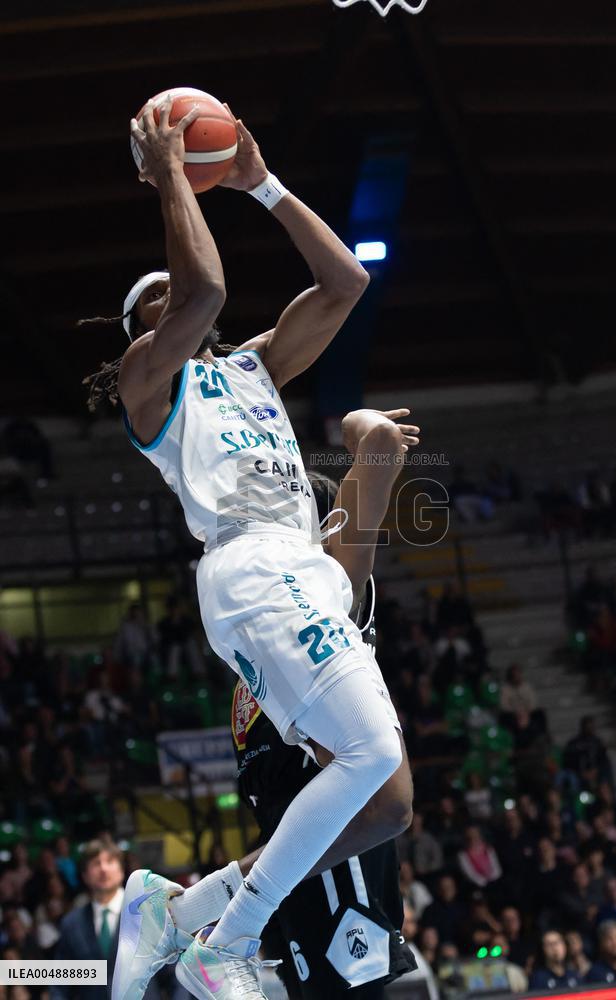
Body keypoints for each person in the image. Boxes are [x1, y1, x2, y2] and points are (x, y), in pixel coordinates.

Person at [99, 98, 416, 1000]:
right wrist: (170, 175)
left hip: (301, 567)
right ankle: (225, 944)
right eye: (157, 306)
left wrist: (259, 183)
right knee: (366, 766)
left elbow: (346, 284)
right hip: (249, 567)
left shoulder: (252, 370)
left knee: (386, 802)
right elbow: (202, 292)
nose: (179, 306)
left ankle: (178, 912)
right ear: (144, 336)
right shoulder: (149, 388)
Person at [226, 415, 418, 998]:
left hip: (343, 892)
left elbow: (379, 443)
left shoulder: (331, 595)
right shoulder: (257, 633)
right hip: (295, 896)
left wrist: (355, 424)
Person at [52, 838, 168, 1000]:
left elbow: (174, 974)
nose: (103, 869)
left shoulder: (150, 915)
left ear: (121, 870)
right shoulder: (72, 923)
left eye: (110, 861)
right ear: (85, 875)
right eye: (95, 863)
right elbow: (60, 982)